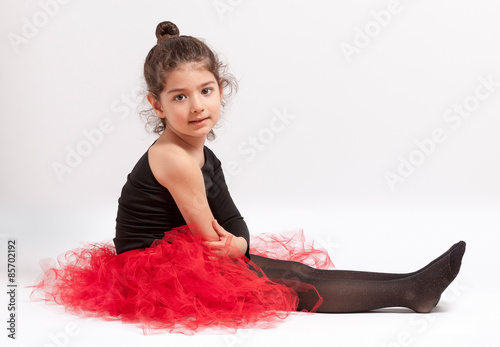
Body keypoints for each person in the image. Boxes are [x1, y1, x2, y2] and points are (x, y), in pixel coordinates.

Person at [33, 21, 466, 333]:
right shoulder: (175, 159)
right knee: (287, 284)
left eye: (206, 91)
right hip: (151, 268)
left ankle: (411, 285)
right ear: (157, 104)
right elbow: (209, 240)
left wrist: (240, 242)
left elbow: (231, 221)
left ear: (222, 89)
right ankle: (411, 292)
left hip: (190, 250)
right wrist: (236, 248)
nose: (197, 106)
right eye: (179, 97)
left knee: (293, 267)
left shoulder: (203, 153)